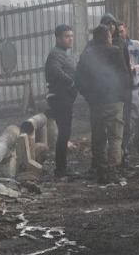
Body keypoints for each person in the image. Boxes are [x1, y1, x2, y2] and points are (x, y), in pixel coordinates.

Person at [75, 24, 130, 185]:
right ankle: (112, 170)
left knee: (98, 137)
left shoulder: (87, 55)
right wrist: (121, 94)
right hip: (113, 101)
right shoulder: (115, 51)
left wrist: (89, 96)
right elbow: (124, 75)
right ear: (108, 37)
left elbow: (79, 80)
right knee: (115, 136)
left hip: (95, 103)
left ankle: (102, 171)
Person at [45, 24, 78, 179]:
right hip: (60, 98)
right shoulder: (56, 54)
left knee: (65, 133)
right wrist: (70, 82)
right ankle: (60, 170)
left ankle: (62, 168)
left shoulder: (61, 53)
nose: (70, 39)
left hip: (64, 97)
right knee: (64, 133)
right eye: (67, 36)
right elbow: (54, 70)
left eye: (71, 35)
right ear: (58, 38)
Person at [117, 22, 139, 159]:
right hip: (122, 89)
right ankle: (125, 148)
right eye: (118, 32)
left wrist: (136, 67)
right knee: (125, 120)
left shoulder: (136, 45)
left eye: (122, 31)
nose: (120, 34)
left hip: (135, 87)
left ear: (126, 30)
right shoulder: (115, 47)